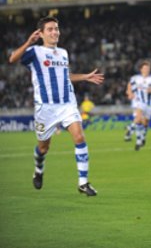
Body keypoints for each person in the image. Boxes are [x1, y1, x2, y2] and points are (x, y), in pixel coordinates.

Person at [8, 16, 104, 196]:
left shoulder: (63, 53)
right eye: (50, 29)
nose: (55, 32)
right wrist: (29, 41)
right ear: (41, 34)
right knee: (43, 148)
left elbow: (64, 76)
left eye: (56, 29)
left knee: (79, 137)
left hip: (67, 104)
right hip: (46, 108)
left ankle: (83, 182)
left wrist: (84, 77)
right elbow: (12, 59)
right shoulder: (34, 51)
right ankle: (39, 168)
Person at [127, 60, 151, 151]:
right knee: (138, 118)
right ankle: (137, 139)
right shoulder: (136, 78)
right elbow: (129, 85)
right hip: (140, 101)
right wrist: (130, 93)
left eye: (148, 68)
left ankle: (142, 137)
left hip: (150, 103)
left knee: (145, 122)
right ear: (141, 69)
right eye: (145, 68)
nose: (147, 70)